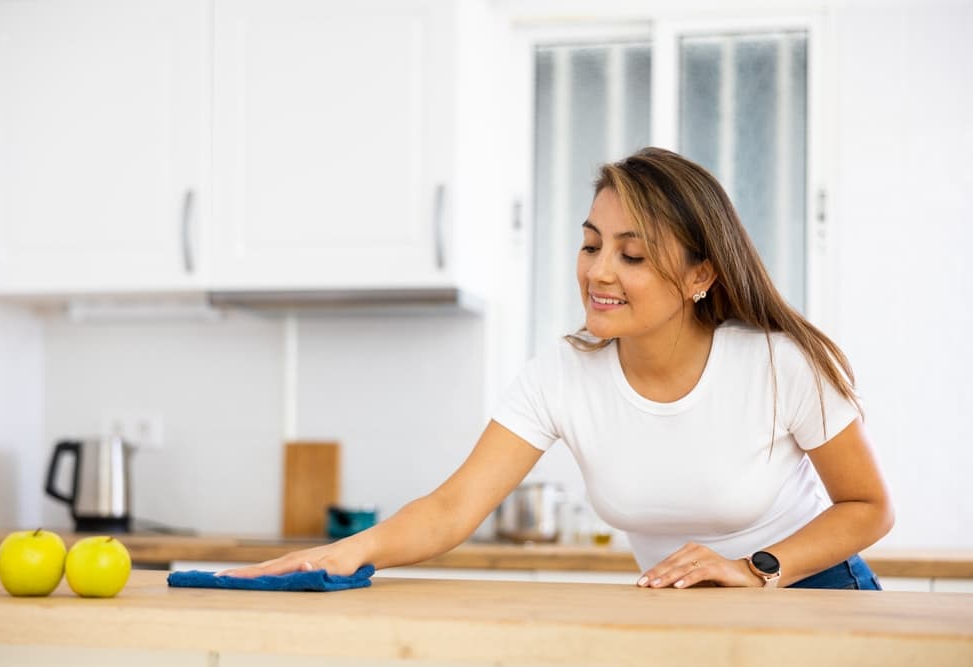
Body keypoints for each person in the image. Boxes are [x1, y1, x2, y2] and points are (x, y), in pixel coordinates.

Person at [222, 147, 893, 589]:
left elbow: (870, 507)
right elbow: (454, 507)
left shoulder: (778, 363)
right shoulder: (563, 373)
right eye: (591, 243)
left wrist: (754, 567)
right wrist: (345, 553)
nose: (599, 271)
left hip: (815, 595)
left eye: (631, 255)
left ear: (699, 275)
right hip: (682, 616)